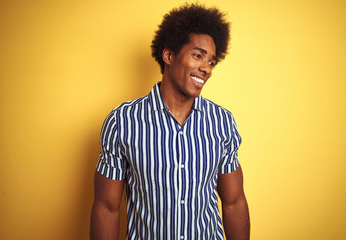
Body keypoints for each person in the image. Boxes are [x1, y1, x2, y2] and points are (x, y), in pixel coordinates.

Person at [90, 3, 250, 240]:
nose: (206, 68)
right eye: (198, 55)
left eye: (211, 62)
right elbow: (107, 207)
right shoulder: (122, 122)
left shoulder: (222, 122)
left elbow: (234, 201)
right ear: (168, 55)